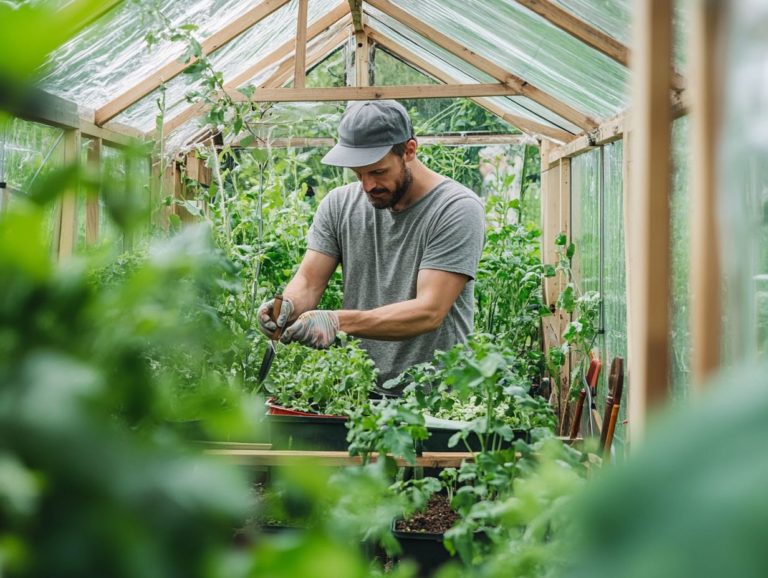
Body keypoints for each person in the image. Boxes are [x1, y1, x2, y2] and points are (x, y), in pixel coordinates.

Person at [257, 100, 485, 392]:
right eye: (358, 174)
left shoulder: (456, 209)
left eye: (378, 172)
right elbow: (309, 282)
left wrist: (338, 321)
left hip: (438, 397)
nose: (367, 186)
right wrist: (287, 306)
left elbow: (430, 311)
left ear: (409, 151)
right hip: (357, 389)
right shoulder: (339, 205)